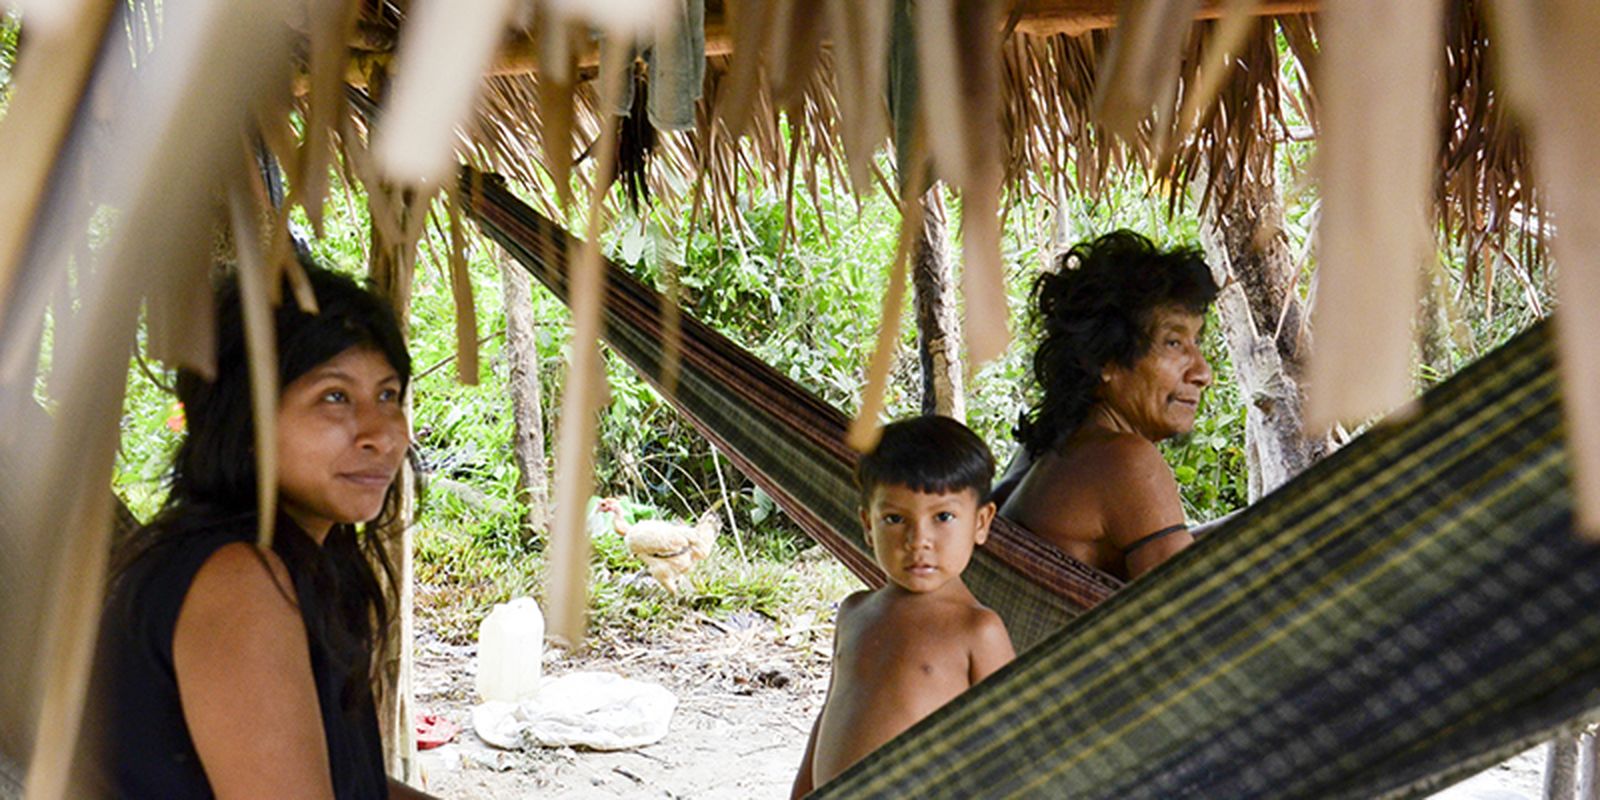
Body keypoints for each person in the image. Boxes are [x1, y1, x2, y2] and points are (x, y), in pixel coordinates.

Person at [80, 261, 439, 799]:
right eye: (335, 396)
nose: (382, 436)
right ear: (245, 420)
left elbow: (352, 784)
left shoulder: (310, 561)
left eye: (387, 395)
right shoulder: (238, 581)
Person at [791, 416, 1015, 797]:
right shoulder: (854, 612)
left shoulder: (978, 631)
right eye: (894, 519)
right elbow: (829, 715)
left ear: (981, 522)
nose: (918, 540)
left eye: (943, 517)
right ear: (868, 524)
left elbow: (1011, 750)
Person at [994, 229, 1220, 581]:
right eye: (1174, 343)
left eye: (1196, 342)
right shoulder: (1126, 460)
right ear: (1105, 359)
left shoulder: (1044, 450)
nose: (1203, 373)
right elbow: (1188, 606)